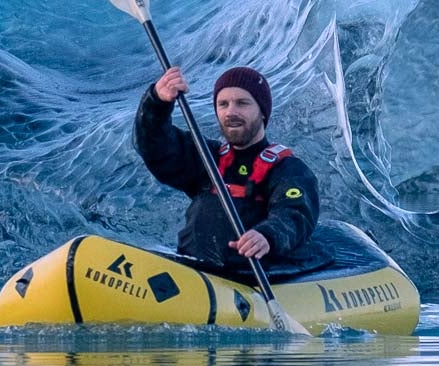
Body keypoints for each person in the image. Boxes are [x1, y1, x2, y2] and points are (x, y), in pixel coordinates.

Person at [134, 64, 323, 274]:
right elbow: (155, 147)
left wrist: (268, 236)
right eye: (223, 104)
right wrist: (157, 103)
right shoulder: (208, 157)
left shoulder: (288, 169)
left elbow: (295, 213)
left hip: (249, 278)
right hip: (192, 272)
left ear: (262, 112)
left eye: (242, 103)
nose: (231, 112)